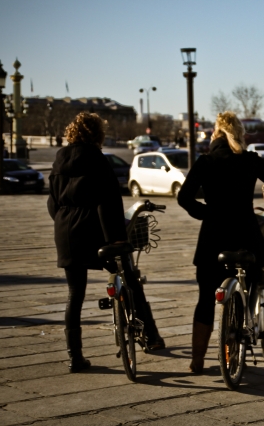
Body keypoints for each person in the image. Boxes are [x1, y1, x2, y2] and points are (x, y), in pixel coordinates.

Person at [48, 112, 164, 373]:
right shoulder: (96, 158)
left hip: (65, 231)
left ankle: (75, 358)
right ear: (97, 135)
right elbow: (108, 202)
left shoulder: (59, 159)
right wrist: (117, 237)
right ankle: (152, 336)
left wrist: (63, 222)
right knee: (130, 278)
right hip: (96, 229)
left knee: (75, 293)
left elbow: (52, 202)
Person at [178, 111, 264, 374]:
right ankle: (241, 330)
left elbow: (184, 198)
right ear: (239, 134)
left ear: (215, 135)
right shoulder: (250, 161)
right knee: (250, 280)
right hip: (246, 237)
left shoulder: (206, 161)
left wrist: (208, 213)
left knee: (205, 298)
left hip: (212, 240)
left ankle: (197, 360)